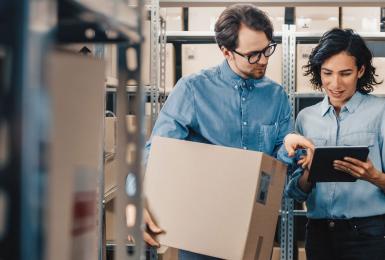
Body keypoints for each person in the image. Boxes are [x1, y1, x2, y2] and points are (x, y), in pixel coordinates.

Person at [141, 4, 313, 259]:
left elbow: (277, 164)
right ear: (226, 52)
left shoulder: (276, 96)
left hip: (255, 224)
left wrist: (287, 145)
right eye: (253, 54)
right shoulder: (192, 90)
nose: (264, 59)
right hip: (202, 231)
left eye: (267, 49)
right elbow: (156, 152)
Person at [285, 28, 385, 260]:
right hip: (318, 234)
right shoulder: (306, 118)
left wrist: (373, 176)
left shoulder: (380, 113)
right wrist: (310, 171)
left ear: (360, 70)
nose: (335, 83)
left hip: (368, 235)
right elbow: (295, 193)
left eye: (345, 73)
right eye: (327, 73)